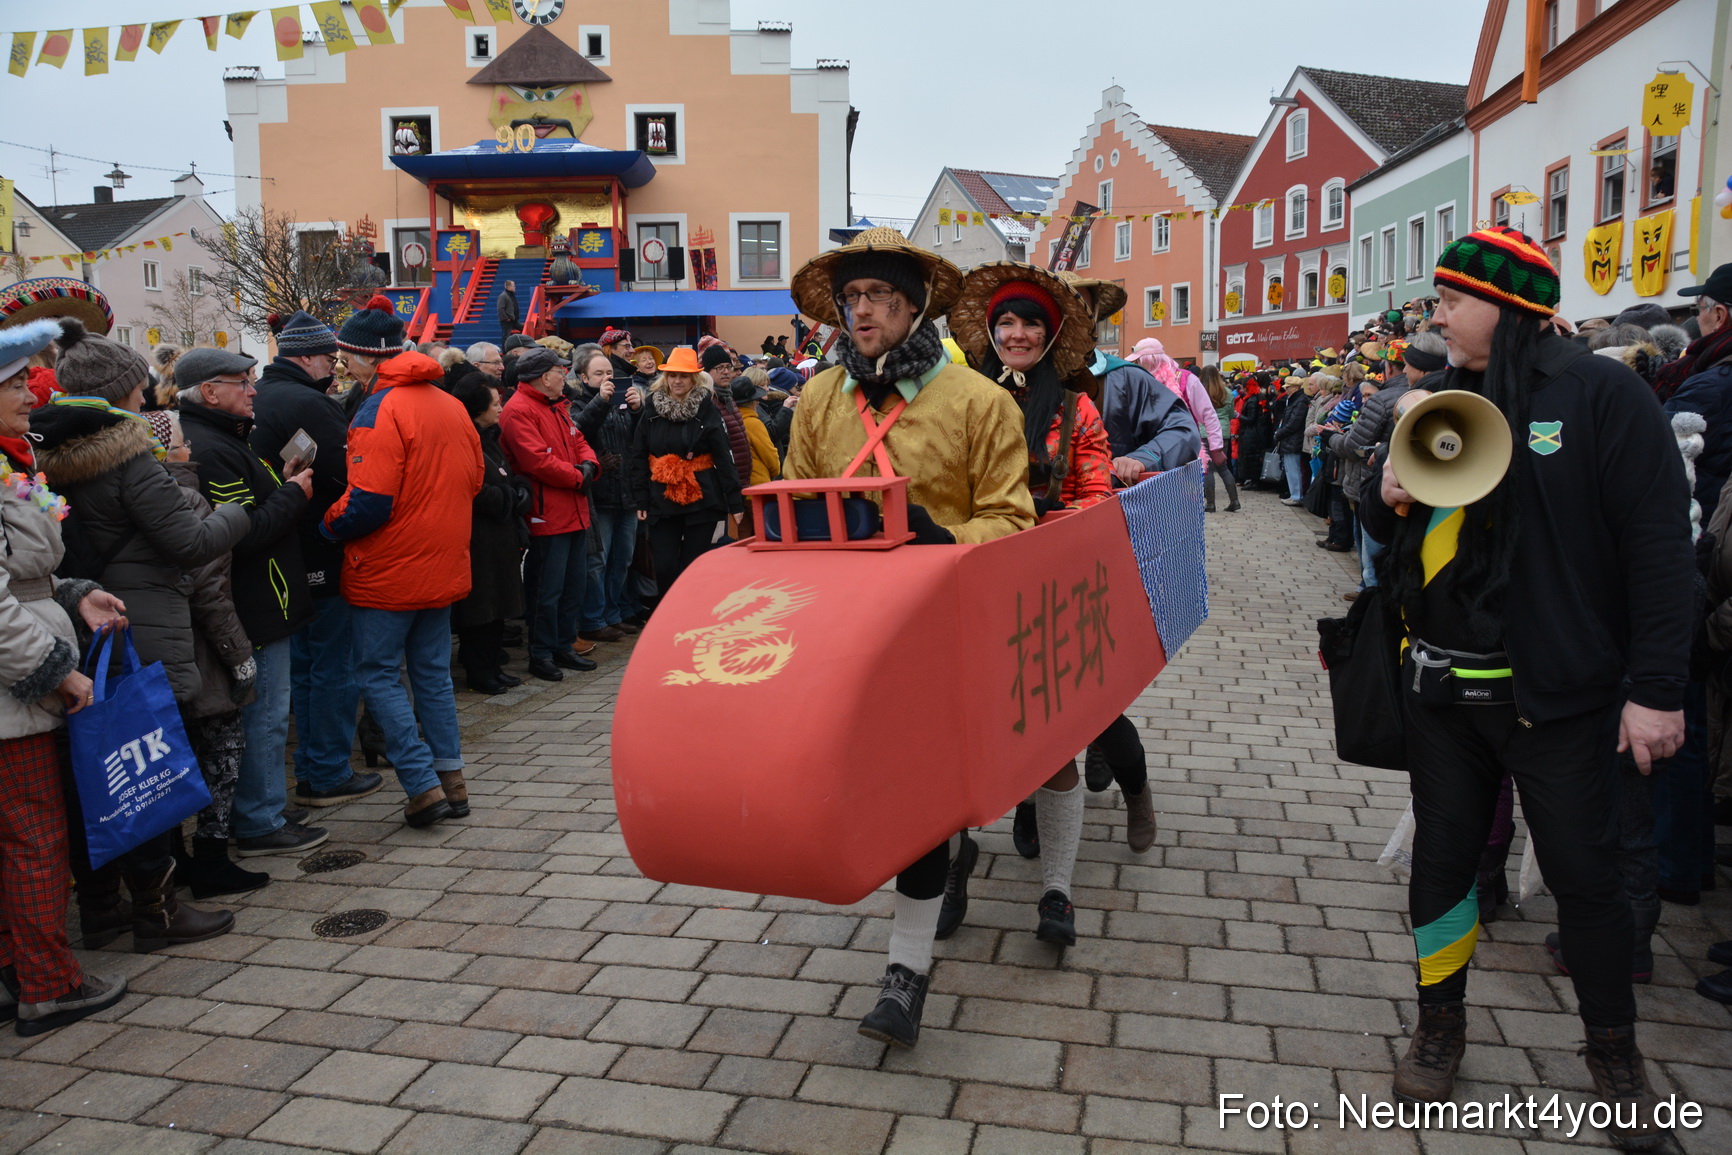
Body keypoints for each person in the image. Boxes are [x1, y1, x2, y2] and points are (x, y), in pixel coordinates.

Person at [1361, 228, 1690, 1144]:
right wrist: (1382, 495)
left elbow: (1660, 550)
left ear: (1503, 306)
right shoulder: (1440, 398)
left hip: (1559, 701)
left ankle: (1614, 1058)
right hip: (1442, 691)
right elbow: (1393, 533)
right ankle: (1440, 1027)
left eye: (1451, 299)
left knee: (1588, 881)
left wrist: (1657, 689)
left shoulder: (1601, 395)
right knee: (1442, 868)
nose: (1436, 315)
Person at [783, 229, 1034, 1048]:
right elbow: (790, 496)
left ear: (914, 305)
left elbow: (1013, 520)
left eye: (878, 298)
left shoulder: (979, 403)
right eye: (851, 298)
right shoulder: (818, 398)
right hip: (843, 629)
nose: (861, 312)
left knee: (920, 800)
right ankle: (949, 849)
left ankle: (905, 975)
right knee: (880, 783)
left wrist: (941, 537)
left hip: (940, 626)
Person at [943, 260, 1143, 948]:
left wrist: (1054, 541)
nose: (1017, 332)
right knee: (965, 734)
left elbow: (1093, 494)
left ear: (1050, 331)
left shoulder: (1077, 406)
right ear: (991, 333)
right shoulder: (961, 397)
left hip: (1050, 582)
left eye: (1030, 321)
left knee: (1051, 731)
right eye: (1006, 322)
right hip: (972, 580)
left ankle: (1057, 888)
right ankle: (952, 867)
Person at [33, 321, 248, 954]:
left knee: (89, 771)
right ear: (130, 387)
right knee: (144, 762)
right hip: (136, 624)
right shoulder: (129, 454)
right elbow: (187, 541)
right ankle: (158, 911)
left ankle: (101, 911)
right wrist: (240, 510)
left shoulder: (35, 454)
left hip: (67, 621)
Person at [0, 319, 132, 1034]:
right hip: (12, 693)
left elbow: (23, 573)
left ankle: (12, 972)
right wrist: (58, 672)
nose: (33, 391)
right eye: (16, 382)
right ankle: (48, 982)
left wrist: (71, 589)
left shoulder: (11, 460)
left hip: (13, 677)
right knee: (34, 837)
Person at [322, 302, 484, 828]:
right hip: (443, 561)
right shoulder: (449, 403)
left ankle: (421, 785)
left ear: (365, 357)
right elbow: (474, 480)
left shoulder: (378, 408)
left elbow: (368, 501)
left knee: (378, 675)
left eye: (346, 355)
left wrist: (327, 522)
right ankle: (452, 779)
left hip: (388, 567)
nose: (342, 364)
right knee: (433, 676)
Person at [174, 347, 328, 857]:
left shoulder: (226, 436)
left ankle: (264, 805)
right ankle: (258, 820)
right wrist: (292, 492)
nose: (253, 389)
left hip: (264, 597)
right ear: (210, 392)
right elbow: (241, 532)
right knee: (263, 714)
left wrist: (280, 481)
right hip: (253, 604)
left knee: (266, 712)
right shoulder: (210, 448)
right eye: (242, 381)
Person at [249, 311, 382, 811]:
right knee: (333, 665)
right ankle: (325, 770)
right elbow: (351, 474)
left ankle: (313, 770)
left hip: (284, 550)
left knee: (305, 666)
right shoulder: (308, 402)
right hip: (320, 546)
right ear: (305, 357)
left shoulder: (266, 395)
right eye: (329, 356)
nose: (337, 365)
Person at [150, 410, 269, 898]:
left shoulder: (115, 499)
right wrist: (240, 658)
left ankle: (172, 861)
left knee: (170, 758)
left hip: (148, 652)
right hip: (197, 650)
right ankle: (213, 857)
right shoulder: (188, 502)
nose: (190, 449)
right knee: (221, 746)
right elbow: (210, 594)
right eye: (179, 443)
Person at [498, 346, 600, 682]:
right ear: (545, 377)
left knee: (571, 586)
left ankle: (562, 645)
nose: (564, 376)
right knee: (547, 589)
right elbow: (536, 461)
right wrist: (580, 475)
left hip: (570, 509)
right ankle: (541, 653)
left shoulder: (554, 406)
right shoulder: (519, 411)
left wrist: (588, 466)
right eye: (561, 370)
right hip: (548, 513)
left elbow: (579, 439)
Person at [626, 348, 741, 594]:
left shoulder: (707, 410)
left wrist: (735, 502)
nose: (677, 381)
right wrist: (641, 499)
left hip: (702, 498)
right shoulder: (651, 410)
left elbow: (723, 457)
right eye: (672, 375)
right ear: (664, 378)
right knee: (665, 567)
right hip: (661, 497)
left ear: (694, 379)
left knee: (695, 566)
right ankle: (669, 616)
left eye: (684, 376)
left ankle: (693, 615)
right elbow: (638, 456)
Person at [449, 375, 528, 694]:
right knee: (480, 607)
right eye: (495, 403)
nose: (500, 408)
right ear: (476, 407)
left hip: (500, 535)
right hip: (477, 537)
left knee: (498, 605)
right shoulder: (463, 440)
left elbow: (509, 476)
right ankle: (480, 669)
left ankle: (492, 664)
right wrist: (511, 496)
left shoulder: (490, 437)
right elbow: (475, 489)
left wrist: (520, 490)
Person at [573, 349, 645, 641]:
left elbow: (641, 441)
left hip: (627, 493)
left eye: (610, 374)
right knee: (597, 563)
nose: (607, 379)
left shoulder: (622, 402)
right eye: (600, 374)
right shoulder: (578, 403)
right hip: (600, 495)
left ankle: (614, 613)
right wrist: (600, 400)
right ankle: (593, 618)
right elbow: (580, 429)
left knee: (622, 559)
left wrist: (640, 410)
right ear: (584, 377)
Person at [1660, 263, 1732, 522]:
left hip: (1709, 533)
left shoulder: (1709, 386)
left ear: (1720, 315)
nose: (1698, 317)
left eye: (1698, 309)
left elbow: (1655, 455)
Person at [1196, 364, 1240, 512]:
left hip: (1204, 432)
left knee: (1208, 469)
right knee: (1223, 468)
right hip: (1223, 433)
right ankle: (1234, 501)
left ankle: (1210, 503)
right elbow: (1230, 414)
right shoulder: (1227, 392)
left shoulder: (1200, 392)